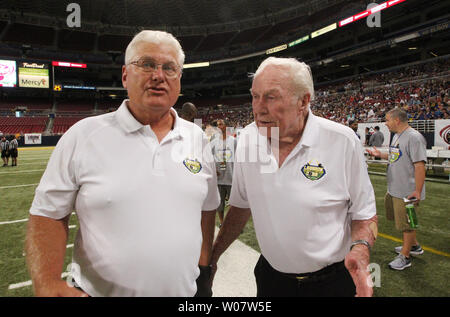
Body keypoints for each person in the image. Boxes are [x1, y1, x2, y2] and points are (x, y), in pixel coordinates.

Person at [25, 30, 220, 297]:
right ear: (125, 75)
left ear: (179, 80)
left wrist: (203, 266)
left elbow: (207, 209)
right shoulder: (82, 136)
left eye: (169, 68)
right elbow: (47, 213)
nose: (158, 76)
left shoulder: (197, 137)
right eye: (147, 64)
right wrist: (46, 281)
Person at [210, 57, 378, 297]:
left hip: (331, 283)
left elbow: (364, 213)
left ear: (304, 101)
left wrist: (361, 249)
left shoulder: (341, 141)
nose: (258, 107)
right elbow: (240, 206)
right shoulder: (247, 139)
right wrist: (213, 257)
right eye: (255, 96)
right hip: (271, 280)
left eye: (271, 96)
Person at [367, 108, 426, 270]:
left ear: (397, 120)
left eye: (387, 120)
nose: (385, 123)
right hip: (396, 189)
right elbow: (396, 155)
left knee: (408, 223)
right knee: (403, 220)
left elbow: (420, 165)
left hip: (408, 192)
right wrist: (380, 154)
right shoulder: (398, 136)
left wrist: (417, 192)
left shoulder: (414, 137)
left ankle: (405, 257)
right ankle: (414, 246)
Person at [210, 119, 237, 226]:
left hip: (231, 177)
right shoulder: (214, 142)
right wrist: (213, 169)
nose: (218, 127)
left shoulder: (233, 141)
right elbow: (209, 157)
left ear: (226, 126)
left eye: (221, 124)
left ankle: (232, 224)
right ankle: (222, 223)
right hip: (219, 178)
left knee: (233, 204)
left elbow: (239, 157)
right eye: (217, 125)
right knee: (219, 204)